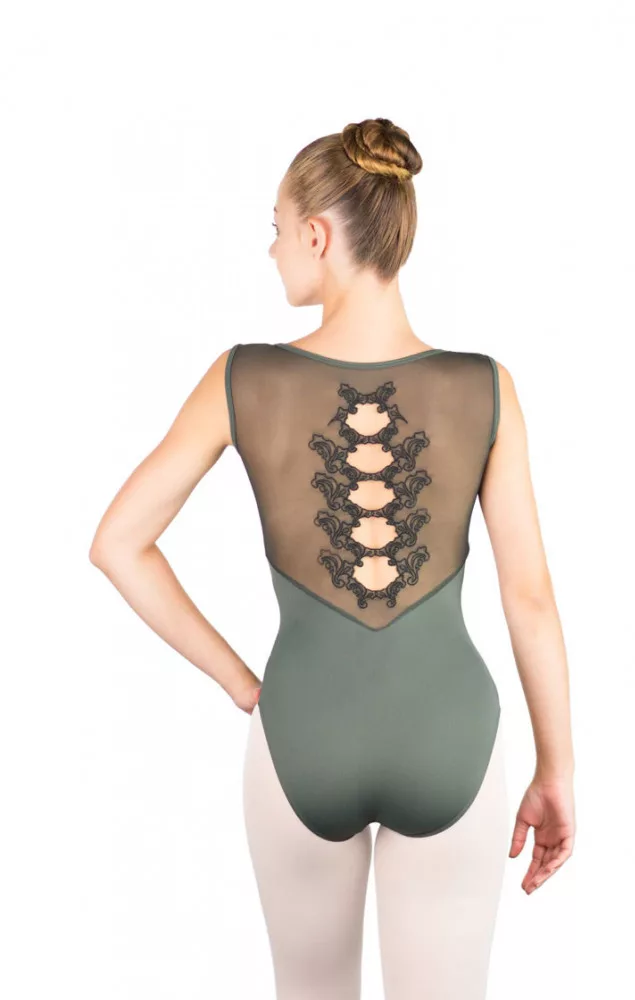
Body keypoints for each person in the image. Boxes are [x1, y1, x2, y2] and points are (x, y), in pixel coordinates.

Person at [90, 117, 575, 1000]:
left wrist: (243, 683)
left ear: (317, 235)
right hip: (450, 737)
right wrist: (557, 769)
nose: (271, 248)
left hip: (301, 734)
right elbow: (530, 597)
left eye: (276, 228)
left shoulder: (241, 378)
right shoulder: (486, 386)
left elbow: (119, 543)